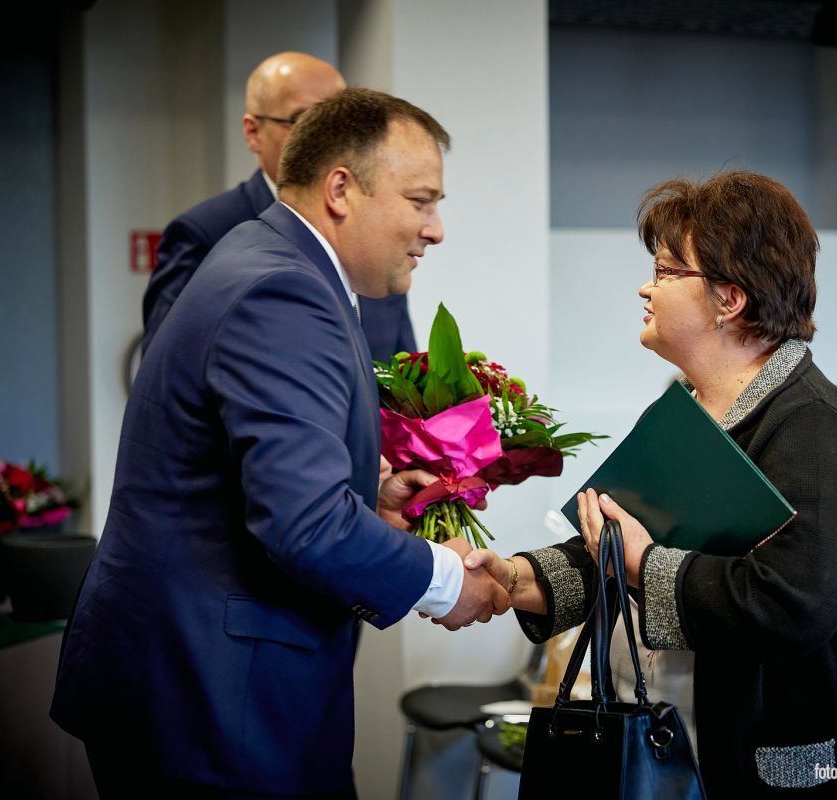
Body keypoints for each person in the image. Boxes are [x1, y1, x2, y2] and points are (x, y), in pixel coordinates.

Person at [51, 89, 509, 798]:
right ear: (340, 190)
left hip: (200, 683)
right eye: (421, 201)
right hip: (208, 698)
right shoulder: (283, 292)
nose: (436, 229)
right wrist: (445, 582)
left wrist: (368, 496)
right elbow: (305, 524)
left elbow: (255, 473)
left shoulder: (272, 261)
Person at [470, 171, 837, 795]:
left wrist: (646, 565)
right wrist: (508, 580)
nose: (646, 287)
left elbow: (793, 605)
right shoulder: (689, 410)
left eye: (667, 271)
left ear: (730, 299)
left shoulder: (816, 428)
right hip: (683, 741)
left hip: (784, 766)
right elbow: (614, 547)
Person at [141, 51, 417, 362]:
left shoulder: (374, 232)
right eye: (304, 120)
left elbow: (404, 373)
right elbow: (169, 363)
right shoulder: (206, 233)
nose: (332, 141)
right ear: (252, 132)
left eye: (344, 124)